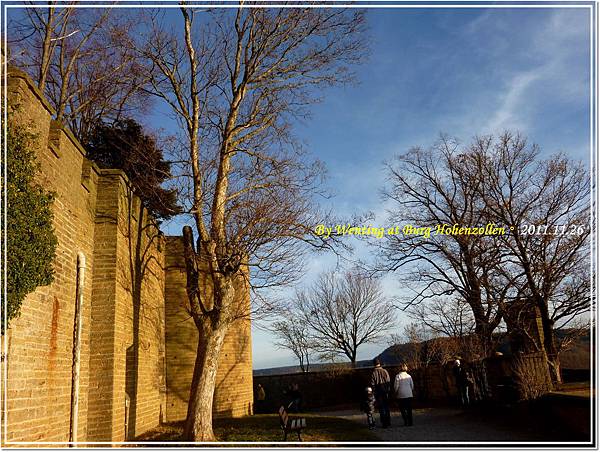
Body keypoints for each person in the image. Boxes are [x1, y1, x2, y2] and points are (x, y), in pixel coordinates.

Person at [370, 358, 391, 427]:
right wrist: (388, 390)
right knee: (386, 407)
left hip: (378, 392)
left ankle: (384, 423)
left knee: (381, 408)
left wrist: (373, 392)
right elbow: (388, 382)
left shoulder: (373, 373)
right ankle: (388, 422)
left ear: (374, 364)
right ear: (380, 363)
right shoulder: (385, 371)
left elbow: (372, 384)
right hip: (385, 392)